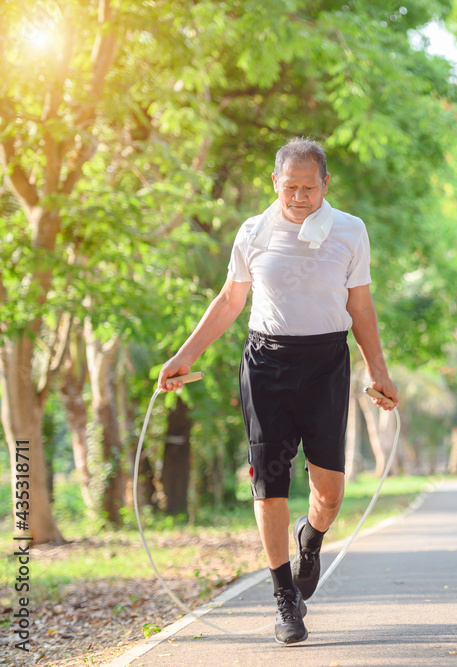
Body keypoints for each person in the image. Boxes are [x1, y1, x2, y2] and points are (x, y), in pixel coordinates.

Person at [158, 137, 398, 645]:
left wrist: (378, 370)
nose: (299, 198)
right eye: (290, 187)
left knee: (329, 493)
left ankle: (310, 540)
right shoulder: (253, 232)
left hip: (326, 364)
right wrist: (185, 355)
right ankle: (285, 599)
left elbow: (361, 308)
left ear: (325, 185)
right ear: (274, 183)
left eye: (309, 188)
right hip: (266, 364)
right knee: (269, 484)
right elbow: (228, 301)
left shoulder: (350, 231)